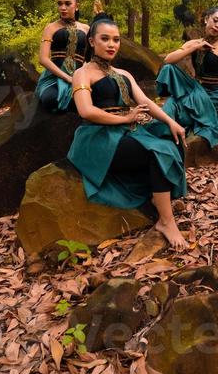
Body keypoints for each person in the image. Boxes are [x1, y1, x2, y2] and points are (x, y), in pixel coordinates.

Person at [68, 15, 189, 250]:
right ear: (92, 41)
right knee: (157, 151)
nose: (111, 44)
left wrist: (170, 121)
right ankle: (166, 221)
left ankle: (158, 197)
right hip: (97, 139)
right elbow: (86, 110)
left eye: (115, 39)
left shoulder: (124, 74)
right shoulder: (82, 74)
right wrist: (124, 118)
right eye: (105, 39)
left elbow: (145, 101)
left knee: (172, 139)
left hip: (126, 131)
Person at [156, 6, 218, 145]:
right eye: (215, 20)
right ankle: (158, 135)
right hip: (195, 88)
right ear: (206, 19)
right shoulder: (194, 43)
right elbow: (168, 60)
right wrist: (195, 47)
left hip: (212, 95)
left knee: (183, 114)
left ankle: (172, 139)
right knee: (171, 100)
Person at [36, 0, 90, 111]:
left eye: (67, 3)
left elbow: (90, 59)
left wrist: (81, 77)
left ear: (77, 6)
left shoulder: (86, 29)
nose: (63, 8)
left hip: (80, 77)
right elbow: (43, 59)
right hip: (54, 78)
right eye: (59, 4)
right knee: (51, 99)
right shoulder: (51, 28)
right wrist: (67, 78)